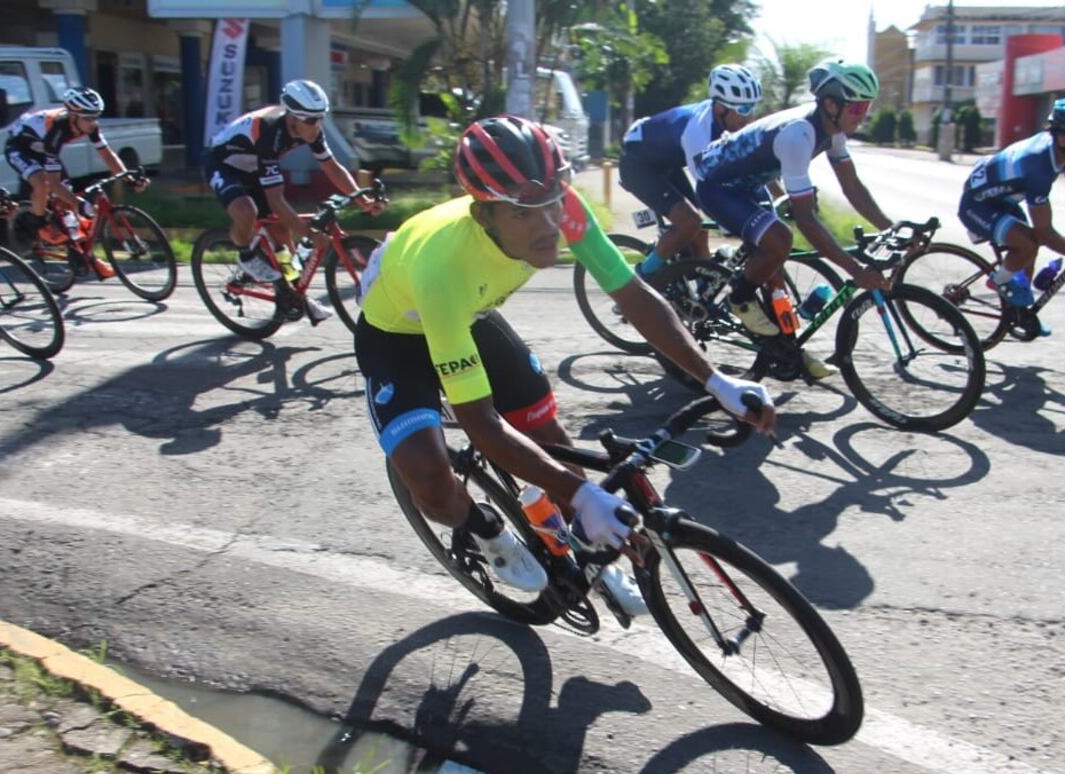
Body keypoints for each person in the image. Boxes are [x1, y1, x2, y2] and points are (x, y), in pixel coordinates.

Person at [353, 115, 776, 627]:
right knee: (431, 482)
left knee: (547, 433)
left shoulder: (563, 209)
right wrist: (583, 494)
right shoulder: (443, 267)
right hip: (400, 331)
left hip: (470, 314)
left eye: (554, 198)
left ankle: (589, 556)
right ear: (485, 214)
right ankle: (485, 526)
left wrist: (717, 380)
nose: (549, 221)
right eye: (527, 212)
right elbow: (481, 424)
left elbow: (634, 296)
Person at [693, 60, 896, 380]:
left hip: (747, 183)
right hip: (718, 187)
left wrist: (890, 228)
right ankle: (739, 298)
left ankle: (788, 351)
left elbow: (853, 188)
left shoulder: (833, 129)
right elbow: (807, 220)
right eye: (857, 109)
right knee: (780, 239)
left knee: (776, 272)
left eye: (866, 108)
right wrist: (855, 271)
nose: (863, 116)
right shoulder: (798, 134)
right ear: (831, 104)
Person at [203, 79, 383, 323]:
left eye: (321, 118)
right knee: (247, 211)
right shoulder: (268, 132)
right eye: (311, 120)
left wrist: (361, 196)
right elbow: (276, 199)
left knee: (281, 235)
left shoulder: (311, 129)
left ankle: (293, 293)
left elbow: (331, 167)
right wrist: (307, 232)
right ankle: (245, 256)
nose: (317, 125)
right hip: (224, 165)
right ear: (292, 118)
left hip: (254, 167)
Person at [958, 96, 1065, 339]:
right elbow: (1045, 233)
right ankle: (999, 281)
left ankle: (1020, 313)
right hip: (977, 205)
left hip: (1002, 200)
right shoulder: (1038, 165)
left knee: (1028, 256)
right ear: (1064, 137)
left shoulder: (1061, 152)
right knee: (1028, 244)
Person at [619, 64, 762, 276]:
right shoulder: (697, 133)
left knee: (700, 229)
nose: (749, 117)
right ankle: (638, 281)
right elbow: (708, 188)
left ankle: (704, 288)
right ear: (721, 108)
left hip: (664, 162)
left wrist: (779, 197)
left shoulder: (725, 123)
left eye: (753, 107)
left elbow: (753, 164)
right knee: (690, 222)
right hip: (637, 165)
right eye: (743, 109)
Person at [4, 87, 147, 279]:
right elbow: (53, 183)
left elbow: (107, 155)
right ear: (73, 117)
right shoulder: (56, 131)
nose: (92, 123)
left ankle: (81, 253)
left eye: (95, 117)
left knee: (68, 200)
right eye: (88, 118)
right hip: (19, 148)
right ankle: (36, 223)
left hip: (43, 150)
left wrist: (127, 178)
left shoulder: (89, 125)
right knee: (42, 183)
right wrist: (80, 204)